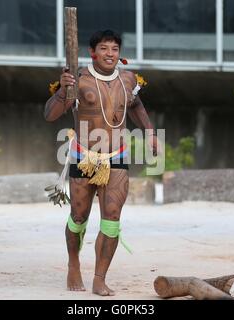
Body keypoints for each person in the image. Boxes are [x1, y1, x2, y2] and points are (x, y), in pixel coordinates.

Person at [44, 30, 159, 296]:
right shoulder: (77, 79)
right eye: (104, 49)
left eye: (114, 49)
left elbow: (136, 105)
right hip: (84, 156)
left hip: (117, 155)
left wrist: (150, 131)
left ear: (120, 53)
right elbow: (50, 115)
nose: (110, 54)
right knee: (79, 216)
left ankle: (99, 277)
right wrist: (63, 89)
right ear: (92, 53)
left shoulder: (129, 79)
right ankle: (74, 263)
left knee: (112, 219)